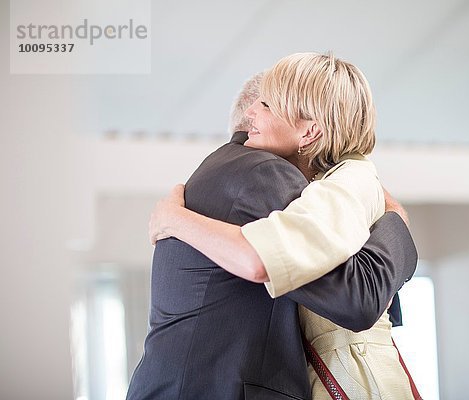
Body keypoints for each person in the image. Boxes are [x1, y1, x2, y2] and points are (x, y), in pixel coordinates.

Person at [126, 71, 419, 399]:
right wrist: (397, 219)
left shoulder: (222, 171)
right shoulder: (264, 171)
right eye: (262, 103)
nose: (256, 111)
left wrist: (175, 219)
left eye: (267, 104)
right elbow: (357, 297)